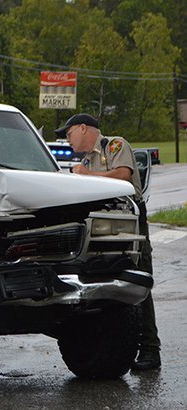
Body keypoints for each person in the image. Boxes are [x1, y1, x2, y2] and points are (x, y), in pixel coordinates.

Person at [55, 113, 161, 371]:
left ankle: (150, 350)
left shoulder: (113, 145)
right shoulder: (85, 160)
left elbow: (123, 175)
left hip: (128, 224)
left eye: (69, 134)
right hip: (100, 228)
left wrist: (87, 175)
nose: (68, 140)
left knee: (137, 282)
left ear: (83, 128)